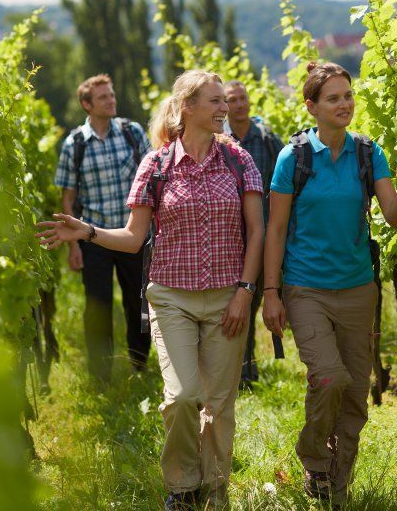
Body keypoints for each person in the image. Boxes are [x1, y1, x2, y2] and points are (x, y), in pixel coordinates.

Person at [38, 70, 264, 511]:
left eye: (224, 101)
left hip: (227, 297)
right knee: (182, 397)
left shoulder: (238, 161)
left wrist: (246, 291)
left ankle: (215, 492)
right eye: (215, 102)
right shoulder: (156, 166)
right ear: (188, 107)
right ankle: (181, 486)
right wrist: (86, 231)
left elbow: (256, 231)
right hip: (171, 297)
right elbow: (133, 237)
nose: (224, 109)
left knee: (218, 405)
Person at [262, 61, 397, 506]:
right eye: (333, 98)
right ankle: (315, 458)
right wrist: (270, 293)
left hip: (357, 288)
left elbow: (394, 216)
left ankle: (338, 482)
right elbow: (275, 230)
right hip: (306, 287)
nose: (344, 104)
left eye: (348, 96)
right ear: (311, 106)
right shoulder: (294, 158)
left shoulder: (369, 154)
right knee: (329, 378)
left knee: (355, 393)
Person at [54, 74, 152, 382]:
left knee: (138, 302)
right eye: (103, 97)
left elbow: (153, 181)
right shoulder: (75, 144)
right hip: (93, 238)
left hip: (132, 236)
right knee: (97, 306)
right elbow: (67, 198)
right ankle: (101, 374)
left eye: (111, 95)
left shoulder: (132, 133)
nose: (111, 100)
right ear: (86, 104)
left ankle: (139, 364)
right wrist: (73, 247)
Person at [224, 79, 284, 388]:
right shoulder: (219, 142)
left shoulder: (267, 139)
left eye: (243, 98)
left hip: (264, 238)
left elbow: (285, 185)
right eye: (232, 99)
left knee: (256, 299)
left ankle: (247, 368)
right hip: (233, 241)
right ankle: (243, 372)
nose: (239, 104)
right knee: (239, 303)